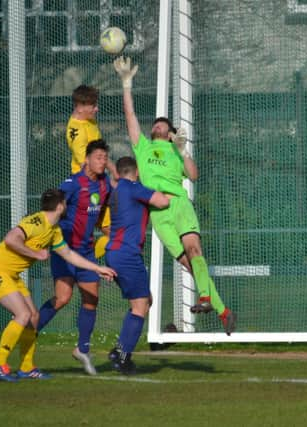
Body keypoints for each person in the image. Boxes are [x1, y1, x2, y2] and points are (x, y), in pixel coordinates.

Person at [113, 56, 236, 335]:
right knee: (190, 266)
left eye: (162, 124)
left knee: (195, 252)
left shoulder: (175, 149)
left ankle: (204, 299)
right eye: (155, 124)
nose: (157, 125)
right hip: (158, 212)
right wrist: (126, 84)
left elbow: (193, 175)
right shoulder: (143, 149)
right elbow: (130, 117)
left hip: (178, 203)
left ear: (170, 134)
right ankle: (224, 312)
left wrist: (183, 151)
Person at [0, 189, 116, 382]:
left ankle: (27, 368)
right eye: (65, 203)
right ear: (60, 206)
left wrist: (97, 268)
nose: (67, 206)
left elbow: (69, 255)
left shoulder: (54, 230)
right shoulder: (36, 222)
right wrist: (36, 254)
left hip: (11, 274)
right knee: (23, 314)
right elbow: (10, 239)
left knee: (34, 318)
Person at [36, 140, 113, 375]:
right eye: (98, 157)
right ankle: (28, 329)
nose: (102, 161)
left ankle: (82, 349)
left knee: (92, 298)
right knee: (63, 298)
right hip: (65, 250)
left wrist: (109, 230)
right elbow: (50, 209)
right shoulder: (71, 184)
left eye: (105, 157)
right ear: (87, 159)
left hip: (87, 251)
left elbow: (100, 213)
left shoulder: (105, 185)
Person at [105, 156, 170, 374]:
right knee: (140, 306)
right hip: (126, 254)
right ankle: (122, 355)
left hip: (115, 252)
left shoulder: (117, 190)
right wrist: (171, 190)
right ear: (137, 171)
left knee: (144, 301)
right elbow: (163, 201)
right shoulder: (133, 187)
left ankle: (121, 350)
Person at [65, 84, 116, 259]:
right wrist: (107, 183)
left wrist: (114, 173)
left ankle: (87, 258)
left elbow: (100, 153)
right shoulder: (76, 133)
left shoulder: (89, 120)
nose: (97, 109)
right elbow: (87, 166)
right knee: (111, 233)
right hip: (87, 186)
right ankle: (85, 259)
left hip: (100, 180)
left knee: (115, 232)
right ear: (80, 107)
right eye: (93, 106)